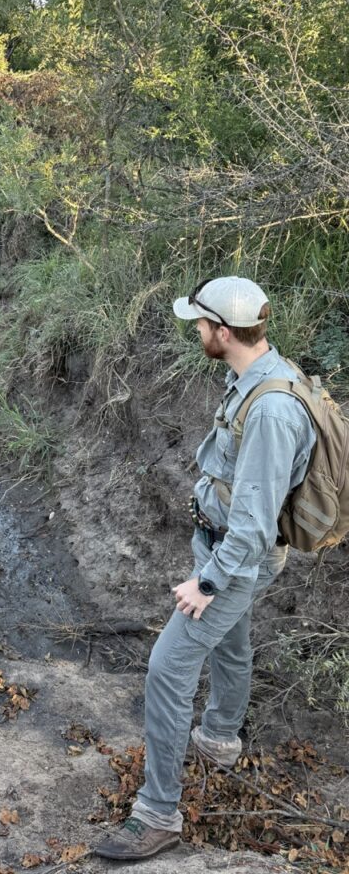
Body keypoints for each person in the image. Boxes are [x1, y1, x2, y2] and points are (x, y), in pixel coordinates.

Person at [93, 276, 316, 861]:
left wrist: (209, 582)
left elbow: (254, 522)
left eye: (199, 324)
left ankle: (158, 812)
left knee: (168, 667)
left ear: (223, 330)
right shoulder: (254, 373)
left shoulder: (270, 410)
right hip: (218, 546)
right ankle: (218, 739)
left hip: (234, 561)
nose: (194, 332)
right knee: (231, 645)